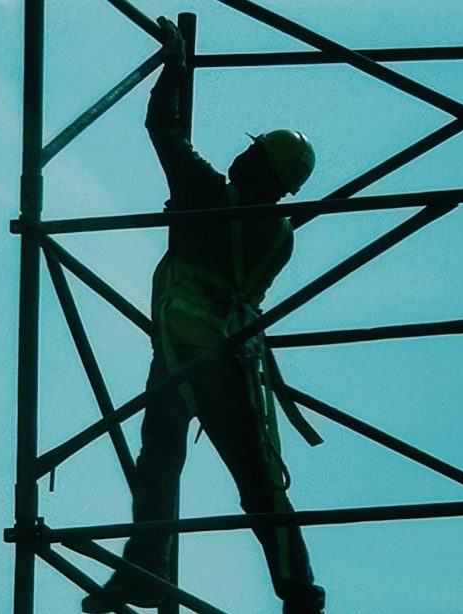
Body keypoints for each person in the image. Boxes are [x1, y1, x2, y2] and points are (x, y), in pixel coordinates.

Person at [81, 16, 325, 614]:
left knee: (161, 461)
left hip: (184, 349)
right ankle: (300, 593)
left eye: (250, 150)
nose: (238, 154)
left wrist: (175, 62)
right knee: (258, 482)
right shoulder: (281, 234)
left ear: (259, 166)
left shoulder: (207, 193)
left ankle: (145, 569)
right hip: (233, 357)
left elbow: (162, 128)